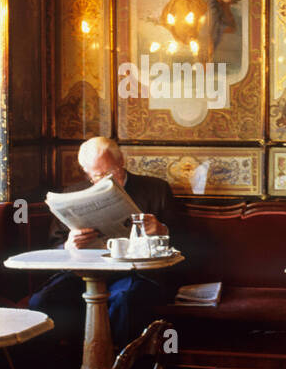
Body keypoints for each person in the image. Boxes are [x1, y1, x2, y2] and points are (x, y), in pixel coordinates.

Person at [28, 136, 183, 354]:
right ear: (86, 171)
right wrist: (69, 245)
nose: (105, 181)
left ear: (122, 162)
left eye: (111, 173)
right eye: (97, 175)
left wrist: (162, 230)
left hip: (135, 274)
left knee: (124, 301)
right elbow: (54, 243)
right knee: (41, 302)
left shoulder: (156, 190)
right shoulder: (72, 194)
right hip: (82, 274)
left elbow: (185, 243)